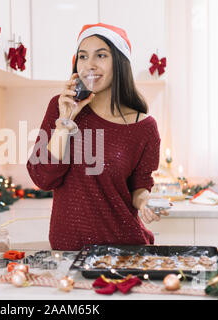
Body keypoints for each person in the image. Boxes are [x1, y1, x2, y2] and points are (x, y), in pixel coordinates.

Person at [27, 23, 168, 251]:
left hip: (125, 251)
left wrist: (145, 202)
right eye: (82, 57)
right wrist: (66, 120)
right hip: (69, 252)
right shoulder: (59, 107)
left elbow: (139, 187)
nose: (89, 65)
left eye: (101, 55)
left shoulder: (144, 127)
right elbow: (43, 179)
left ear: (120, 63)